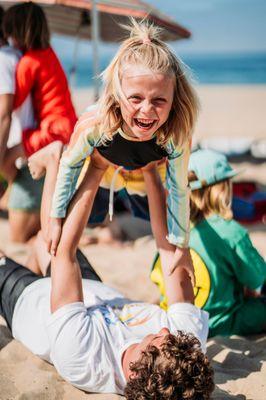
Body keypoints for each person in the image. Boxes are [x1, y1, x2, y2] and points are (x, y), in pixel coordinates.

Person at [0, 143, 214, 398]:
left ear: (134, 372)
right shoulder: (185, 349)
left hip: (31, 303)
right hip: (93, 291)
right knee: (40, 241)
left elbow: (63, 252)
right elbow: (169, 253)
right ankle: (52, 165)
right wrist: (150, 175)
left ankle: (53, 162)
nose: (166, 331)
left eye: (159, 340)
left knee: (50, 242)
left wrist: (97, 167)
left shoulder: (84, 359)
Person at [29, 19, 199, 280]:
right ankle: (52, 154)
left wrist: (182, 245)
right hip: (101, 168)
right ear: (118, 95)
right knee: (57, 238)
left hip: (142, 174)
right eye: (136, 98)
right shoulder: (95, 124)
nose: (147, 109)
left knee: (170, 241)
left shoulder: (176, 134)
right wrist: (55, 217)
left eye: (159, 100)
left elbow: (178, 189)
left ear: (174, 100)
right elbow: (71, 166)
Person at [151, 149, 266, 337]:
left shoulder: (174, 232)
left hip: (179, 322)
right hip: (222, 323)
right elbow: (258, 278)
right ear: (222, 189)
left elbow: (158, 277)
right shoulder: (230, 231)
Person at [0, 6, 42, 242]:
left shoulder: (4, 58)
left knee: (21, 241)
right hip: (25, 154)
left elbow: (4, 114)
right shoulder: (15, 55)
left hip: (22, 157)